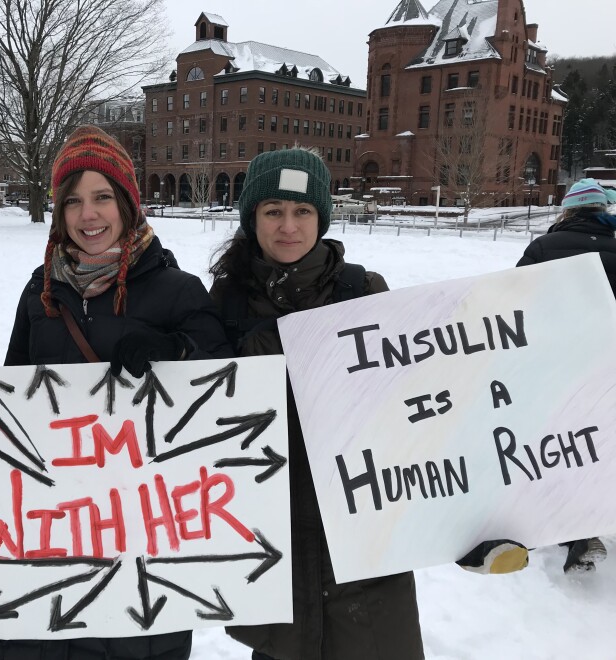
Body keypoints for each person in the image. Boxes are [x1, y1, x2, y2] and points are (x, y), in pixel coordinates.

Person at [209, 148, 528, 660]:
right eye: (273, 211)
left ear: (321, 217)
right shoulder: (225, 303)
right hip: (275, 547)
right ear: (252, 219)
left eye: (303, 211)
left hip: (364, 543)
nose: (288, 226)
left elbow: (427, 411)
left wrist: (473, 513)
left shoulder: (364, 292)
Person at [0, 125, 232, 660]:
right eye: (72, 201)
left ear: (126, 203)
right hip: (54, 533)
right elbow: (8, 397)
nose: (88, 215)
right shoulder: (42, 291)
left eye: (102, 197)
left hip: (147, 535)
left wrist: (177, 350)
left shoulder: (178, 290)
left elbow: (224, 378)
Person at [517, 177, 616, 573]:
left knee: (565, 445)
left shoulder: (544, 248)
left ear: (567, 210)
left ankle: (573, 527)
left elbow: (514, 305)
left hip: (557, 367)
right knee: (602, 444)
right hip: (608, 368)